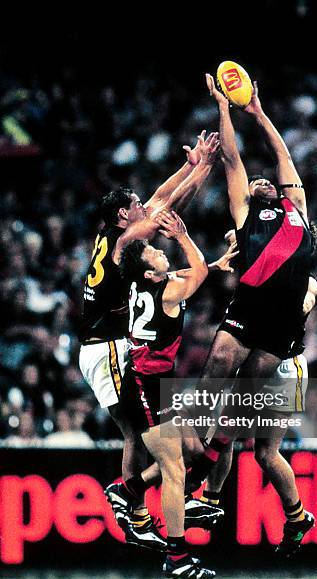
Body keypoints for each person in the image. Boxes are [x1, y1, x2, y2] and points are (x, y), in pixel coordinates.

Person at [186, 75, 317, 556]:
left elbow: (283, 158)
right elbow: (232, 159)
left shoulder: (297, 208)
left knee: (250, 430)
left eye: (269, 181)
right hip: (249, 315)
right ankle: (202, 475)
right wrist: (224, 108)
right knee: (216, 379)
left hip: (282, 338)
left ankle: (215, 491)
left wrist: (258, 111)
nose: (262, 179)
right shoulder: (245, 215)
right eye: (257, 180)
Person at [79, 131, 220, 551]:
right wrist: (201, 167)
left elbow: (161, 199)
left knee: (146, 429)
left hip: (108, 345)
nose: (145, 206)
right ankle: (135, 509)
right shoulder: (124, 241)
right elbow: (165, 205)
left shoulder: (113, 238)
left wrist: (193, 167)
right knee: (135, 431)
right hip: (105, 347)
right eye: (135, 205)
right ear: (124, 215)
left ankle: (160, 493)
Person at [119, 210, 216, 579]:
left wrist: (209, 262)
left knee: (193, 450)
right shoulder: (168, 291)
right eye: (154, 255)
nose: (161, 253)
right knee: (175, 468)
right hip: (146, 385)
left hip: (157, 382)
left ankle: (127, 489)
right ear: (148, 272)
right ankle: (177, 557)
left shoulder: (152, 284)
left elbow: (187, 272)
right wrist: (183, 235)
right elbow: (199, 271)